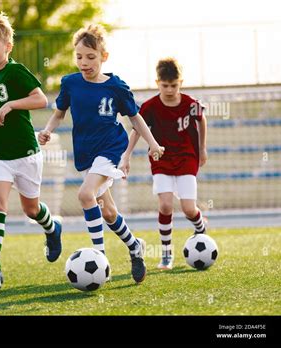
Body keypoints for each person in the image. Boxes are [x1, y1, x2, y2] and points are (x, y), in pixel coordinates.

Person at [38, 24, 164, 284]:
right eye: (79, 57)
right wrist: (48, 130)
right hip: (85, 153)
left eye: (90, 57)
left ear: (103, 57)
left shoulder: (116, 86)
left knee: (85, 195)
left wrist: (152, 143)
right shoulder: (70, 83)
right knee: (108, 212)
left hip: (110, 148)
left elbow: (135, 118)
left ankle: (99, 258)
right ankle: (134, 246)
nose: (84, 63)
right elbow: (59, 113)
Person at [0, 13, 62, 291]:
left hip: (26, 153)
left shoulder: (16, 71)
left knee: (31, 210)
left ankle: (52, 229)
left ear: (7, 47)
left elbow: (41, 99)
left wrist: (11, 106)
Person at [123, 57, 208, 270]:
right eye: (165, 85)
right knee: (166, 205)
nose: (169, 89)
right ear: (157, 82)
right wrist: (127, 155)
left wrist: (202, 148)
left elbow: (202, 120)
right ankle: (167, 254)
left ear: (181, 82)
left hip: (187, 157)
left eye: (174, 85)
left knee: (189, 209)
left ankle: (200, 228)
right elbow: (137, 130)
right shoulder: (151, 107)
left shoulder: (190, 103)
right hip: (161, 159)